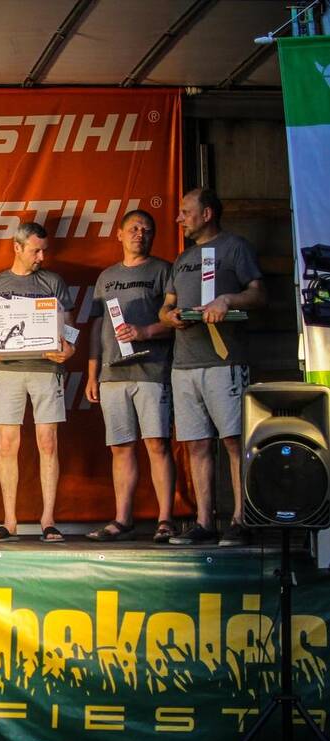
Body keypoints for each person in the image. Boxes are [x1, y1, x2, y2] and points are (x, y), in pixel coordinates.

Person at [159, 187, 266, 547]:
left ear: (207, 214)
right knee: (196, 444)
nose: (179, 218)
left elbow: (258, 293)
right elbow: (166, 306)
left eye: (185, 211)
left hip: (224, 361)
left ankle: (242, 519)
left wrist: (227, 300)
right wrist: (170, 317)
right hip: (184, 363)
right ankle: (205, 522)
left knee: (235, 441)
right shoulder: (182, 258)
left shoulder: (235, 247)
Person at [0, 221, 75, 543]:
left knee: (48, 442)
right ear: (17, 248)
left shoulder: (53, 281)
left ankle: (48, 520)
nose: (41, 257)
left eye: (44, 251)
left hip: (46, 369)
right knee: (7, 444)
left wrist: (70, 348)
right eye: (35, 251)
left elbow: (69, 327)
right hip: (7, 371)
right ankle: (10, 521)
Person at [84, 211, 176, 543]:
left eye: (147, 230)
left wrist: (145, 331)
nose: (140, 234)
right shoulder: (106, 277)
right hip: (113, 374)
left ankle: (166, 520)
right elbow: (97, 326)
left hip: (152, 370)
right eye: (134, 229)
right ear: (119, 234)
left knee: (157, 444)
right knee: (120, 448)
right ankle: (123, 519)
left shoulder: (163, 270)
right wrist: (92, 373)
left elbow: (177, 320)